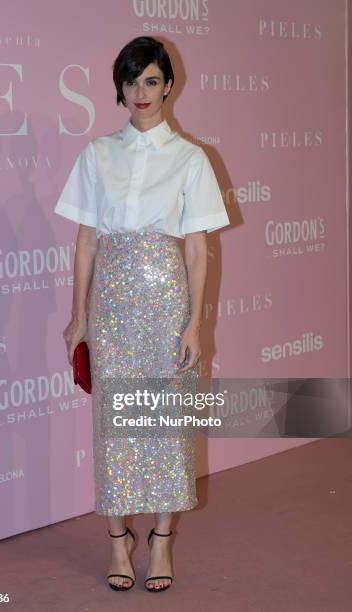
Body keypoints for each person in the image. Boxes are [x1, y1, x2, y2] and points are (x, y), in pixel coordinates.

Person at [54, 36, 230, 593]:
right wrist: (77, 316)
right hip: (111, 304)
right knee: (114, 425)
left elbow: (198, 250)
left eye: (151, 80)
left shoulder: (191, 159)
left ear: (168, 86)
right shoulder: (97, 154)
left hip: (166, 304)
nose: (140, 92)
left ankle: (159, 541)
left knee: (163, 425)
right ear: (120, 90)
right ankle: (115, 541)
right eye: (130, 82)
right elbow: (85, 244)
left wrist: (194, 325)